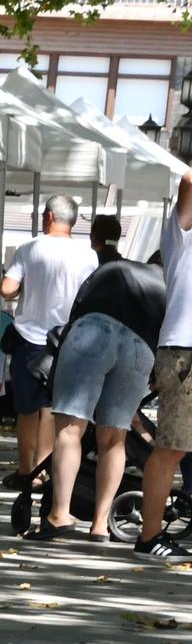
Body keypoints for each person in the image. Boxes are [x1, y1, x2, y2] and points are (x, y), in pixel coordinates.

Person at [30, 255, 165, 543]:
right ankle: (101, 523)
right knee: (114, 438)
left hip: (93, 331)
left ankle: (59, 515)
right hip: (139, 348)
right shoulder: (169, 286)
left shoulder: (115, 267)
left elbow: (79, 304)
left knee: (70, 429)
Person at [1, 196, 98, 485]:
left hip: (30, 339)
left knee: (27, 410)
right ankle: (42, 471)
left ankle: (24, 471)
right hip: (69, 341)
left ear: (48, 217)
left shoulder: (29, 249)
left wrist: (27, 289)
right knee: (52, 411)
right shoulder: (89, 255)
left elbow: (7, 289)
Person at [138, 168, 192, 559]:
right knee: (172, 446)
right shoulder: (181, 234)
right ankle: (149, 536)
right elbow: (190, 179)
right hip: (184, 351)